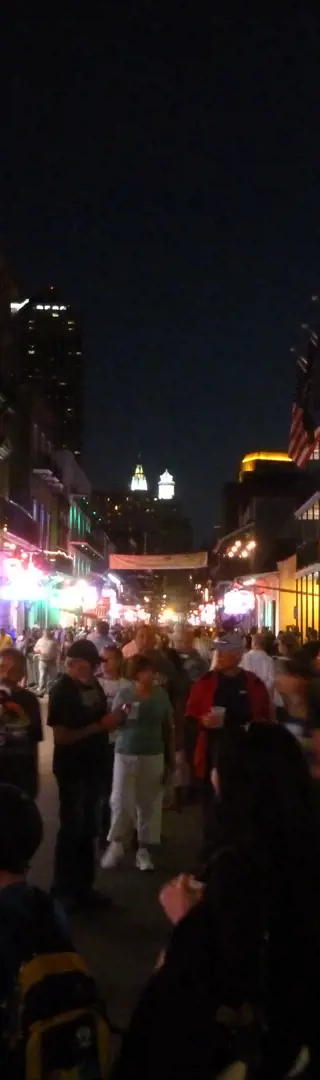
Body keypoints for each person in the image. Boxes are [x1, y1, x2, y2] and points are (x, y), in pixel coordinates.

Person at [111, 724, 320, 1080]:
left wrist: (188, 920)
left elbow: (217, 975)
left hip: (252, 1046)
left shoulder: (236, 863)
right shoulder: (302, 844)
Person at [48, 638, 122, 909]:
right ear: (77, 665)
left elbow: (99, 718)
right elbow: (62, 736)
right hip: (73, 768)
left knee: (88, 828)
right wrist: (101, 726)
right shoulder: (63, 691)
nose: (96, 670)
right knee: (72, 827)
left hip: (94, 765)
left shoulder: (93, 686)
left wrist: (113, 721)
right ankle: (63, 889)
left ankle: (83, 887)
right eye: (92, 666)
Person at [186, 631, 271, 855]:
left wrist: (236, 722)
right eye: (218, 651)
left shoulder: (253, 684)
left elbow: (265, 720)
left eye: (224, 651)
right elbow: (190, 718)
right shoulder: (205, 683)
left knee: (242, 812)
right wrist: (203, 722)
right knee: (212, 812)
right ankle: (210, 860)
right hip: (211, 756)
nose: (219, 655)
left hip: (246, 758)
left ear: (237, 654)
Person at [101, 655, 175, 872]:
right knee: (120, 800)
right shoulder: (125, 693)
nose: (149, 675)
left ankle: (143, 849)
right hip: (125, 751)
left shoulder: (160, 695)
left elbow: (168, 726)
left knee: (149, 803)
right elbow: (112, 724)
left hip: (153, 752)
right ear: (135, 673)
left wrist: (171, 758)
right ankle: (116, 843)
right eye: (145, 671)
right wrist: (121, 714)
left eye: (151, 671)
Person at [0, 648, 43, 799]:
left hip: (21, 769)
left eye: (13, 669)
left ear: (21, 673)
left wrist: (34, 776)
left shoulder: (29, 700)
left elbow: (34, 739)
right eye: (3, 667)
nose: (6, 674)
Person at [98, 645, 131, 839]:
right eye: (102, 659)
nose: (104, 664)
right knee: (101, 787)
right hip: (99, 741)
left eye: (108, 659)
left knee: (116, 789)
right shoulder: (95, 684)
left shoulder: (126, 686)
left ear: (118, 661)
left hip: (119, 742)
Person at [241, 631, 276, 698]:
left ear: (253, 643)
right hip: (264, 695)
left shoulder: (244, 657)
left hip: (247, 695)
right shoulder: (269, 660)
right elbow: (272, 680)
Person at [34, 628, 58, 696]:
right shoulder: (40, 640)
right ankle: (41, 690)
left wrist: (55, 659)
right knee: (42, 675)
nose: (46, 633)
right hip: (42, 660)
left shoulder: (53, 641)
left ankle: (50, 691)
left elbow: (57, 651)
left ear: (49, 633)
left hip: (51, 661)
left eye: (48, 632)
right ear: (43, 633)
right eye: (45, 632)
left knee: (51, 677)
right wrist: (36, 650)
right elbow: (35, 648)